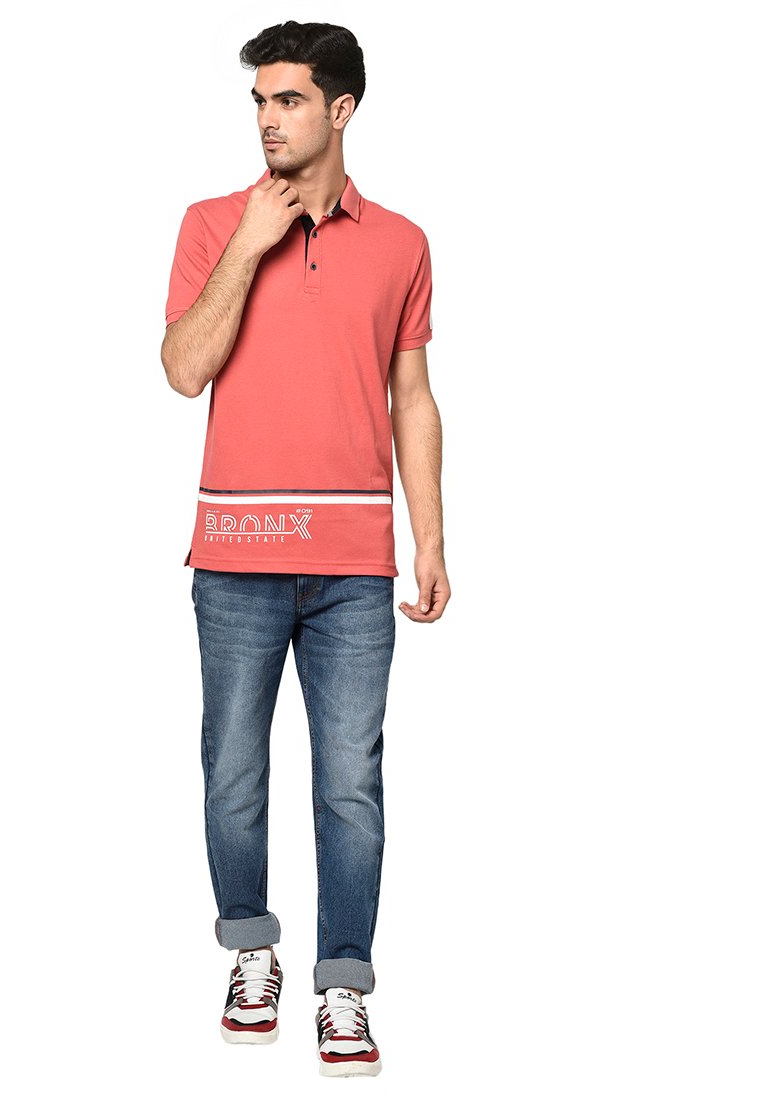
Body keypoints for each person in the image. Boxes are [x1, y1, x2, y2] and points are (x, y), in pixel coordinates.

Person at [160, 20, 449, 1078]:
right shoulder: (209, 223)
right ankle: (251, 951)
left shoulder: (402, 242)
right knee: (232, 770)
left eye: (287, 99)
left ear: (340, 108)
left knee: (350, 782)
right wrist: (248, 241)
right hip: (235, 555)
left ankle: (343, 983)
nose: (267, 119)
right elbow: (183, 369)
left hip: (354, 565)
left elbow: (412, 396)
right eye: (259, 100)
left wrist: (430, 535)